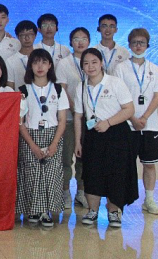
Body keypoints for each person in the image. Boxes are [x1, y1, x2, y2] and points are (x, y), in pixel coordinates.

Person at [74, 48, 136, 228]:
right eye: (86, 63)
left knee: (116, 173)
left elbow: (129, 109)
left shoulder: (115, 82)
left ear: (101, 63)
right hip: (93, 135)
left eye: (94, 62)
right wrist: (78, 141)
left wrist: (108, 122)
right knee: (92, 173)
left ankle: (114, 212)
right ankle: (92, 210)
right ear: (82, 67)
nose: (90, 66)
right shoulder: (81, 87)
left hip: (116, 134)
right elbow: (78, 116)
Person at [16, 49, 68, 227]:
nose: (40, 66)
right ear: (30, 66)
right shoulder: (23, 90)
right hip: (30, 136)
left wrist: (54, 143)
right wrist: (32, 145)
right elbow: (20, 122)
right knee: (32, 174)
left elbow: (62, 120)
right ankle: (33, 210)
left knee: (51, 175)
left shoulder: (58, 89)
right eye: (36, 62)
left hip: (53, 135)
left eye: (44, 62)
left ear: (50, 65)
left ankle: (46, 211)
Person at [115, 28, 158, 215]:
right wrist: (133, 118)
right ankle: (119, 202)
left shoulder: (155, 69)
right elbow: (118, 97)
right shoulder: (121, 68)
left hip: (150, 125)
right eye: (135, 42)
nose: (138, 46)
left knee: (149, 164)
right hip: (127, 124)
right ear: (129, 45)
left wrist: (144, 118)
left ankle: (149, 200)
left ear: (147, 45)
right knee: (124, 166)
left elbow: (157, 96)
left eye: (142, 42)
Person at [55, 27, 91, 209]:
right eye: (76, 38)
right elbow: (61, 89)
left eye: (84, 38)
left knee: (85, 158)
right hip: (69, 117)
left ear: (89, 41)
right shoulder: (64, 63)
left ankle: (81, 192)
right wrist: (75, 109)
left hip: (89, 119)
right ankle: (65, 192)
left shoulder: (92, 61)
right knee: (66, 158)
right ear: (71, 42)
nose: (80, 42)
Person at [7, 20, 37, 90]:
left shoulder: (42, 57)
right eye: (23, 34)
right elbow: (10, 88)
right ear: (18, 36)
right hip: (20, 96)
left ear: (35, 35)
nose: (27, 38)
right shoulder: (10, 61)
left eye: (30, 34)